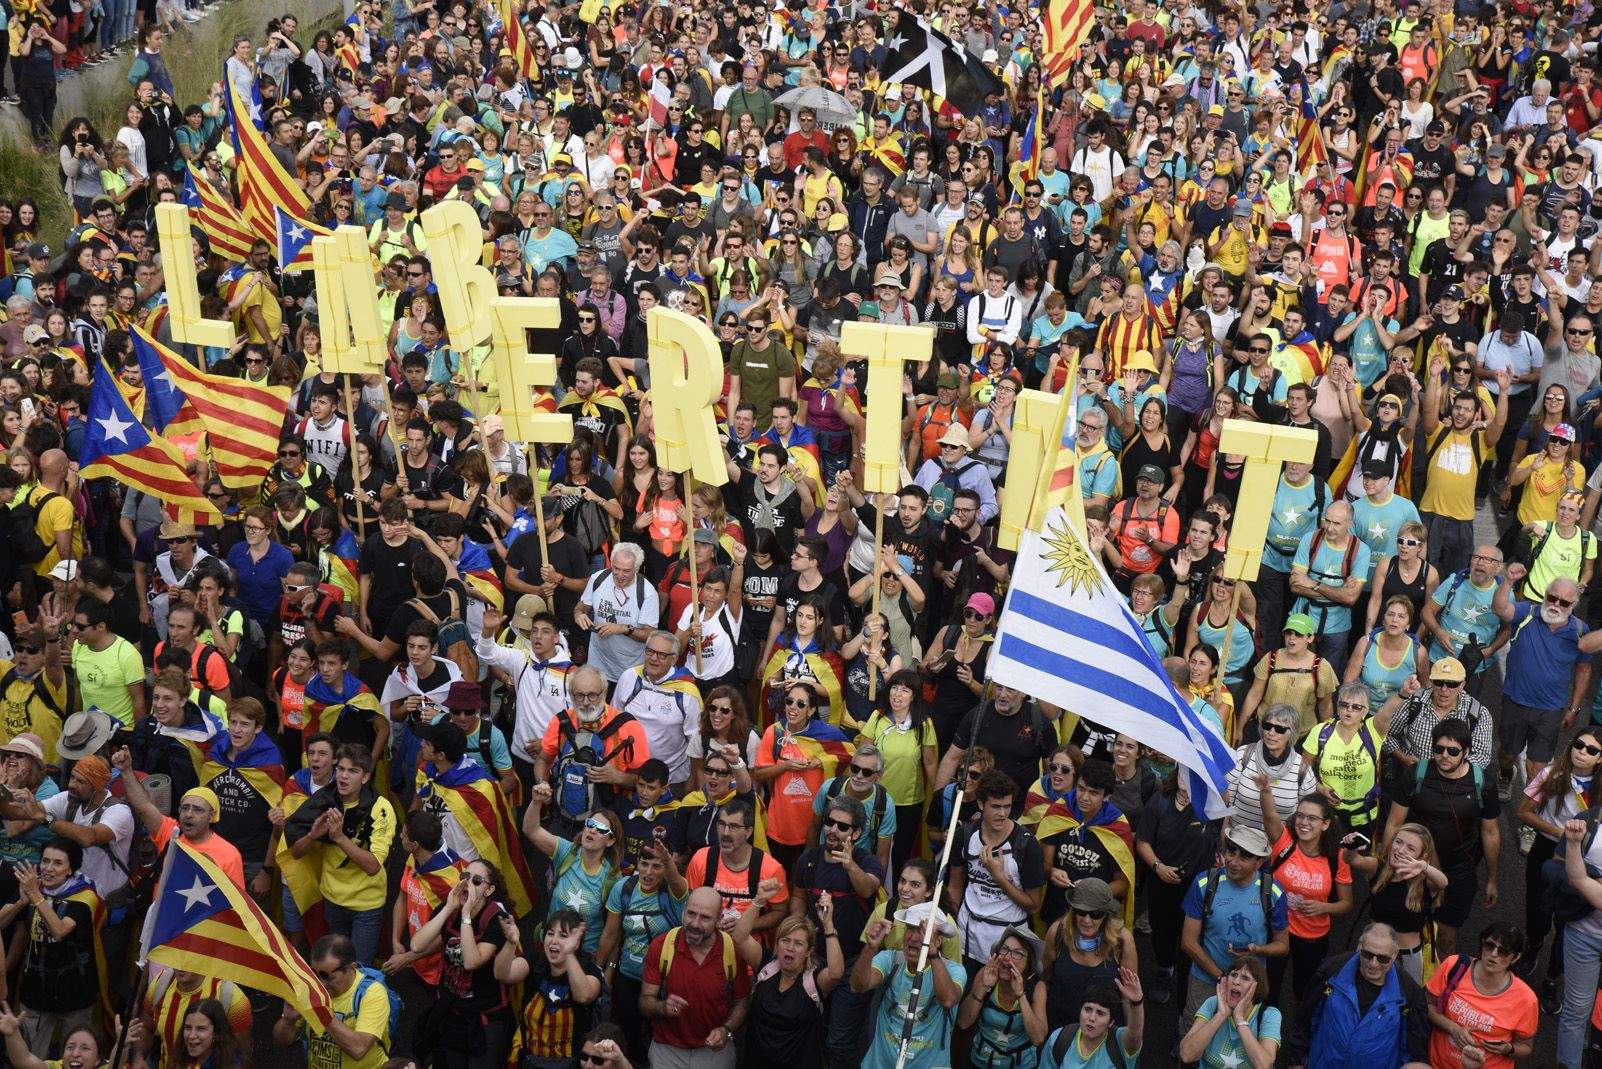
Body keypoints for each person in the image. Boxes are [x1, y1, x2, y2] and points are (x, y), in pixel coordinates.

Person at [1381, 719, 1501, 960]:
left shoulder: (1483, 783)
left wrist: (1492, 879)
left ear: (1466, 752)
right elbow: (1394, 822)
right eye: (1439, 749)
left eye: (1452, 751)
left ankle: (1438, 992)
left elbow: (1490, 832)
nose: (1444, 756)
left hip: (1458, 872)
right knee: (1403, 931)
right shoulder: (1416, 774)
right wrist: (1386, 862)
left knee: (1446, 938)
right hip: (1413, 868)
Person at [1178, 825, 1290, 1024]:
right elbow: (1188, 942)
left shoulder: (1272, 891)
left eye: (1244, 856)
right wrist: (1222, 978)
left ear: (1259, 862)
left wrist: (1257, 949)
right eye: (1231, 851)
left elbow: (1283, 946)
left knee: (1238, 1035)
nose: (1233, 861)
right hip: (1204, 981)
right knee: (1193, 1029)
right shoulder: (1205, 883)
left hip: (1249, 986)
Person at [1281, 921, 1431, 1069]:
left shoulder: (1409, 993)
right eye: (1367, 954)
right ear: (1359, 947)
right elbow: (1305, 1019)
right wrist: (1296, 1062)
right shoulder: (1331, 971)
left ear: (1395, 954)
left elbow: (1414, 1049)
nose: (1373, 963)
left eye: (1382, 959)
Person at [639, 886, 753, 1069]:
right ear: (683, 911)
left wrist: (726, 1029)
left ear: (719, 920)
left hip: (714, 1053)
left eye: (705, 917)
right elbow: (645, 1002)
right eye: (691, 914)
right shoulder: (661, 946)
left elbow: (742, 1002)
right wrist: (662, 1006)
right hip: (667, 1050)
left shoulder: (732, 950)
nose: (695, 923)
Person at [947, 770, 1046, 970]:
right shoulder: (964, 835)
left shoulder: (1026, 845)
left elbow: (1034, 905)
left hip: (1007, 942)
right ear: (981, 804)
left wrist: (999, 877)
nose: (1002, 813)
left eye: (1007, 806)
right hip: (967, 938)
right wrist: (952, 926)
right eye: (995, 807)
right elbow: (955, 887)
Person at [852, 902, 967, 1069]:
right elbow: (858, 985)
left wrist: (933, 955)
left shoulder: (954, 970)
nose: (913, 937)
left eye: (922, 932)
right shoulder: (891, 960)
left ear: (938, 940)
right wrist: (870, 949)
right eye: (910, 929)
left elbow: (948, 999)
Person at [271, 933, 392, 1069]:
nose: (321, 983)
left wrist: (322, 1012)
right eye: (315, 974)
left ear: (351, 968)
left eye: (327, 976)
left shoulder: (372, 993)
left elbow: (358, 1049)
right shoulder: (311, 988)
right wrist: (288, 1021)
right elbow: (282, 1041)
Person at [1427, 923, 1538, 1069]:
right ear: (1482, 943)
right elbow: (1428, 1006)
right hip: (1438, 1064)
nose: (1493, 954)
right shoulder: (1454, 966)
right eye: (1490, 945)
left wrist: (1508, 1049)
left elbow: (1525, 1046)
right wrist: (1453, 1028)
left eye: (1503, 951)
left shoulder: (1526, 999)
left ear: (1515, 958)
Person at [1177, 954, 1282, 1069]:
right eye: (1233, 975)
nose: (1236, 981)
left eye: (1245, 978)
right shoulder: (1213, 1003)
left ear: (1257, 987)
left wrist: (1239, 1020)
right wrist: (1220, 1015)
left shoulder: (1269, 1015)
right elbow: (1186, 1055)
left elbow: (1264, 1066)